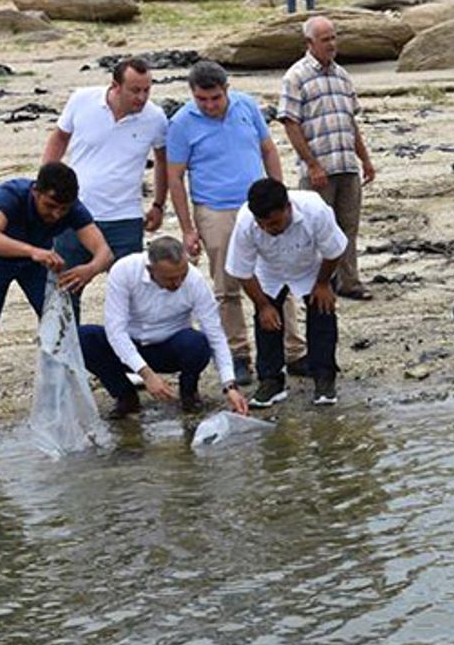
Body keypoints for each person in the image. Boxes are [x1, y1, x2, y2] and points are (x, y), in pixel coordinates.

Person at [0, 163, 112, 449]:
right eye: (50, 206)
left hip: (36, 260)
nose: (56, 214)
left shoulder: (73, 208)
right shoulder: (10, 194)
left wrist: (90, 269)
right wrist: (33, 251)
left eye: (63, 209)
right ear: (36, 191)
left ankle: (67, 408)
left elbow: (103, 251)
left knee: (61, 331)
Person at [168, 60, 305, 386]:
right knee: (226, 284)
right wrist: (188, 228)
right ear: (193, 95)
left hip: (258, 205)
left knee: (277, 277)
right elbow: (175, 176)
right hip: (214, 209)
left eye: (215, 98)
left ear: (226, 90)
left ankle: (293, 350)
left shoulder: (246, 106)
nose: (210, 105)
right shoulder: (182, 123)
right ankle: (238, 353)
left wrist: (279, 194)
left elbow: (268, 150)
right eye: (202, 99)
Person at [42, 56, 169, 317]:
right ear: (116, 86)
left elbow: (163, 160)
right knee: (64, 289)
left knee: (132, 294)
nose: (142, 97)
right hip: (76, 214)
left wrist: (158, 203)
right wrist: (44, 183)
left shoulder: (155, 117)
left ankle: (131, 353)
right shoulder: (82, 100)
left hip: (126, 217)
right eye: (135, 90)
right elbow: (59, 137)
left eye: (147, 90)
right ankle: (66, 354)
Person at [79, 236, 249, 419]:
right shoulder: (124, 270)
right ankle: (125, 396)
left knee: (198, 343)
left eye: (182, 276)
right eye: (170, 278)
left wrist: (229, 386)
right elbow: (115, 331)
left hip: (170, 348)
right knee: (84, 338)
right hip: (128, 346)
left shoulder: (195, 280)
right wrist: (147, 375)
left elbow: (215, 334)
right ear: (150, 269)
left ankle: (189, 393)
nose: (178, 283)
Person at [226, 178, 347, 408]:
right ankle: (271, 380)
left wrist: (322, 284)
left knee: (322, 313)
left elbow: (334, 251)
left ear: (288, 208)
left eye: (274, 223)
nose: (268, 229)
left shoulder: (315, 209)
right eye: (263, 224)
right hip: (269, 270)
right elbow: (242, 271)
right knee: (267, 322)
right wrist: (263, 305)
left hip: (312, 266)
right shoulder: (245, 222)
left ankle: (324, 378)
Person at [280, 16, 377, 301]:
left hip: (346, 164)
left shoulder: (342, 75)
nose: (332, 44)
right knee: (314, 229)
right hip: (319, 168)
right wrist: (311, 164)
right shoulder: (295, 77)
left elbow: (351, 122)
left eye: (334, 38)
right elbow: (290, 123)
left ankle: (349, 281)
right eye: (326, 40)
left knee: (348, 227)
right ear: (309, 43)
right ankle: (314, 283)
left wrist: (365, 160)